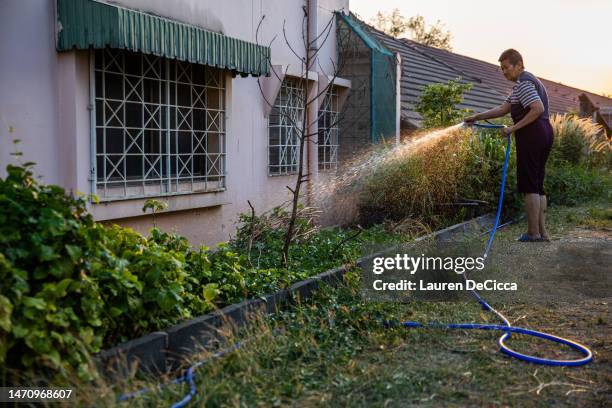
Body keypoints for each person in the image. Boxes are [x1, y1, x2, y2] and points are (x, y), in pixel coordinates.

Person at [464, 48, 554, 242]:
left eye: (506, 68)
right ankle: (542, 233)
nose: (504, 72)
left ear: (519, 65)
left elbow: (537, 108)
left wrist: (513, 129)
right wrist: (476, 116)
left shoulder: (523, 83)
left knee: (529, 185)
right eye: (502, 69)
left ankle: (533, 233)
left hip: (532, 133)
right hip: (545, 131)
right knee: (538, 184)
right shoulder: (529, 82)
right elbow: (503, 108)